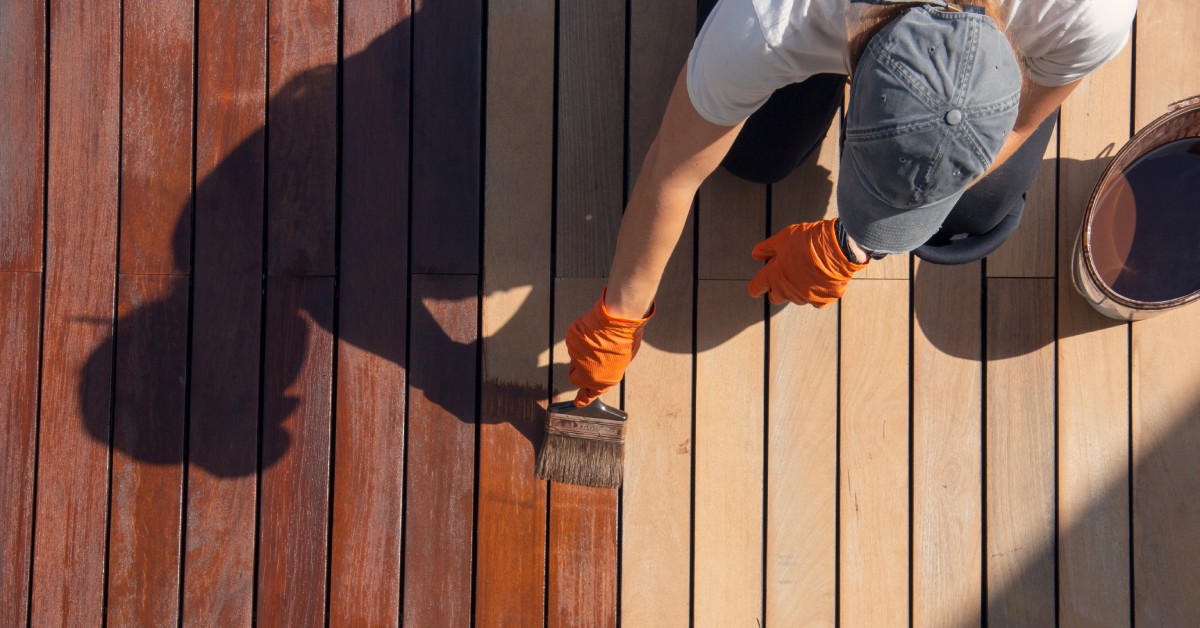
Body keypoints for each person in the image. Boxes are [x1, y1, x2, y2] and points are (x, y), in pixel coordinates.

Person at [565, 0, 1138, 407]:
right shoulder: (770, 20)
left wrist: (854, 242)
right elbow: (673, 168)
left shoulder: (1090, 12)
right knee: (754, 156)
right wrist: (619, 315)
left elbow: (1019, 123)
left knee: (970, 216)